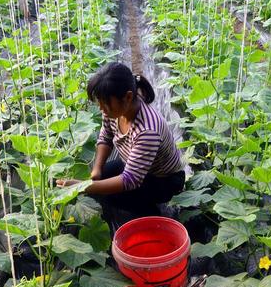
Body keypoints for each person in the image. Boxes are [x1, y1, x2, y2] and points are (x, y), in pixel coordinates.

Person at [57, 62, 185, 217]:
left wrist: (81, 187)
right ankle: (139, 204)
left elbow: (130, 180)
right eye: (100, 103)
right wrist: (96, 170)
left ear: (128, 97)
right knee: (99, 179)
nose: (101, 109)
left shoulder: (147, 130)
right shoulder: (112, 110)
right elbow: (106, 136)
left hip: (162, 180)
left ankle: (151, 214)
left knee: (109, 195)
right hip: (132, 164)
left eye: (105, 104)